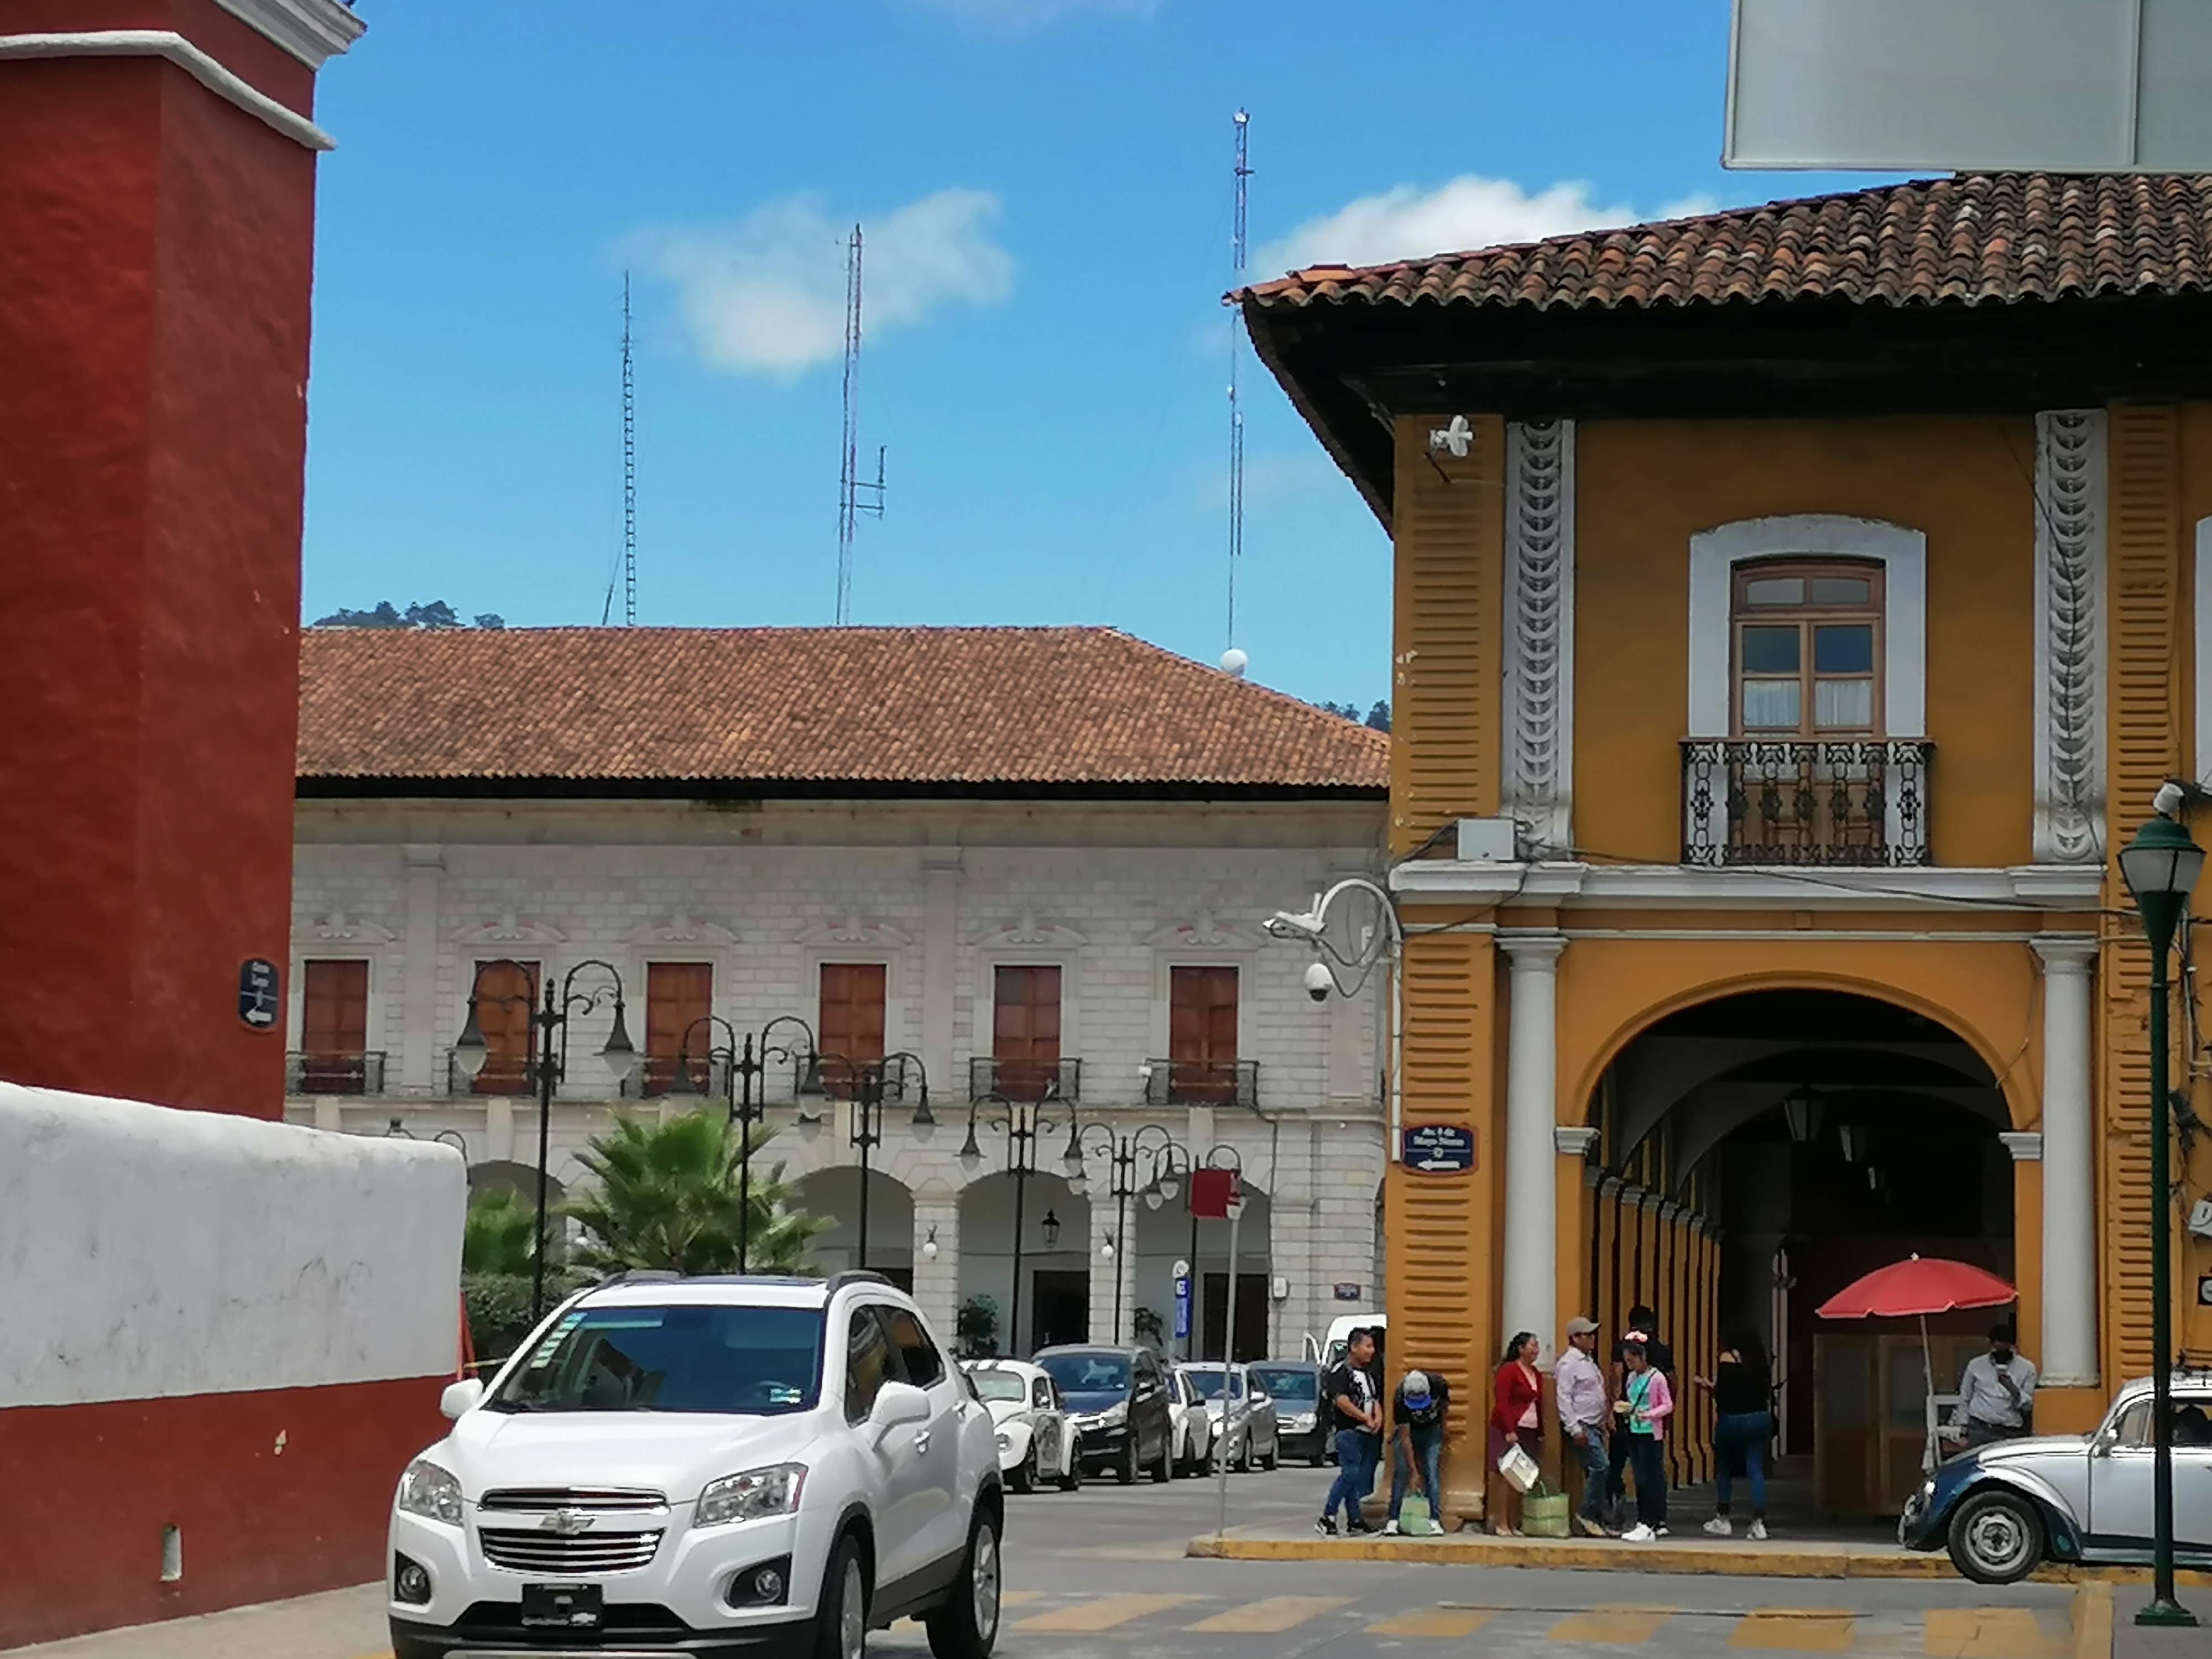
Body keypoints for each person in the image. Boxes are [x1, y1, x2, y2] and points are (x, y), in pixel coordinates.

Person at [1693, 1329, 1772, 1540]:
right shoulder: (1760, 1360)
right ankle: (1758, 1523)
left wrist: (1709, 1387)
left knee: (1724, 1468)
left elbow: (1724, 1394)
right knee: (1755, 1469)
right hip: (1760, 1419)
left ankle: (1723, 1518)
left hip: (1733, 1420)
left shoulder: (1728, 1358)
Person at [1605, 1305, 1676, 1531]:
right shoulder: (1662, 1350)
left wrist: (1612, 1410)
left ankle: (1620, 1508)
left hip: (1629, 1417)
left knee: (1619, 1464)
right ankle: (1659, 1517)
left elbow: (1617, 1380)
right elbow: (1674, 1383)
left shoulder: (1623, 1347)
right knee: (1655, 1469)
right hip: (1653, 1422)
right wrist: (1666, 1416)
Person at [1317, 1327, 1382, 1535]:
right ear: (1354, 1347)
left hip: (1367, 1433)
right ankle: (1328, 1516)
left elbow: (1374, 1399)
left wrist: (1378, 1418)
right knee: (1350, 1474)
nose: (1372, 1351)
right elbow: (1341, 1400)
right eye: (1368, 1346)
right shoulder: (1341, 1372)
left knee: (1358, 1479)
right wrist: (1364, 1417)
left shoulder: (1368, 1375)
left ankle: (1355, 1520)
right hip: (1349, 1432)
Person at [1555, 1315, 1612, 1538]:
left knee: (1595, 1472)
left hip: (1594, 1425)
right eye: (1588, 1335)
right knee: (1601, 1467)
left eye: (1592, 1335)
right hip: (1581, 1425)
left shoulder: (1588, 1361)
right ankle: (1587, 1513)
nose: (1592, 1339)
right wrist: (1574, 1428)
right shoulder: (1569, 1364)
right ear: (1575, 1338)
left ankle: (1595, 1519)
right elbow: (1564, 1398)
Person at [1947, 1323, 2038, 1449]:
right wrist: (1963, 1430)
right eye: (1996, 1350)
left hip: (2009, 1430)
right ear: (1990, 1344)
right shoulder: (1976, 1365)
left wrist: (2012, 1388)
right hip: (1980, 1427)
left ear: (2012, 1347)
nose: (2000, 1355)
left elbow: (2028, 1405)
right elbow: (1966, 1397)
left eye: (2004, 1351)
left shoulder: (2027, 1368)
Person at [1488, 1332, 1543, 1536]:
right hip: (1509, 1428)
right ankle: (1502, 1523)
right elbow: (1502, 1402)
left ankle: (1513, 1522)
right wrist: (1509, 1430)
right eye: (1533, 1345)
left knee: (1521, 1478)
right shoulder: (1509, 1371)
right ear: (1521, 1349)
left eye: (1538, 1346)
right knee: (1506, 1475)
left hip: (1529, 1429)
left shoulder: (1536, 1373)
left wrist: (1540, 1432)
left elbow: (1538, 1404)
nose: (1537, 1349)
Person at [1618, 1338, 1673, 1542]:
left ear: (1642, 1358)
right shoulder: (1632, 1378)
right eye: (1627, 1361)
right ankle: (1644, 1521)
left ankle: (1650, 1521)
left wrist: (1649, 1414)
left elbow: (1668, 1405)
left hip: (1651, 1433)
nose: (1629, 1365)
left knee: (1651, 1478)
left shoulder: (1657, 1378)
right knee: (1639, 1477)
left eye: (1632, 1361)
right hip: (1634, 1430)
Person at [1384, 1366, 1451, 1536]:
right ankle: (1393, 1520)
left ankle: (1435, 1521)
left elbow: (1443, 1409)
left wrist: (1444, 1431)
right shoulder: (1400, 1396)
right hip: (1410, 1431)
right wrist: (1414, 1472)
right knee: (1401, 1473)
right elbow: (1406, 1438)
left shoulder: (1439, 1385)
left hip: (1432, 1431)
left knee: (1431, 1472)